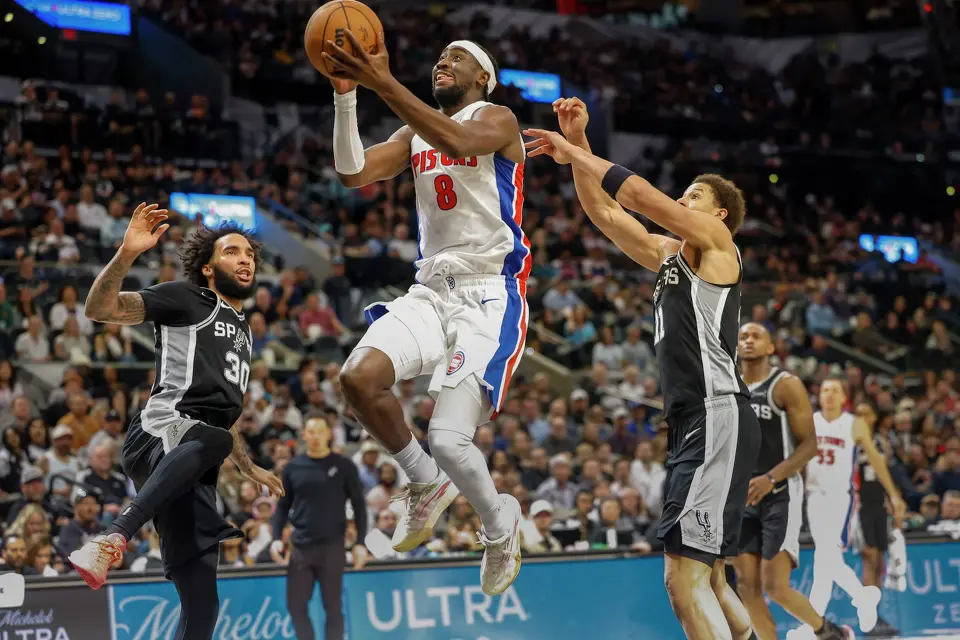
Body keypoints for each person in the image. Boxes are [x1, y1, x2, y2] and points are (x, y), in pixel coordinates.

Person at [526, 98, 759, 640]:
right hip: (693, 420)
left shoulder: (718, 244)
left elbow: (636, 196)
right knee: (712, 578)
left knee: (683, 583)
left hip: (715, 411)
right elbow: (607, 214)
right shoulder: (668, 255)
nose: (682, 200)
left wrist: (575, 153)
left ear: (718, 214)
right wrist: (578, 144)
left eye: (693, 196)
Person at [324, 35, 528, 595]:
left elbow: (458, 139)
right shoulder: (415, 132)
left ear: (483, 77)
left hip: (490, 293)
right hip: (431, 287)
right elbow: (354, 173)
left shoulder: (498, 119)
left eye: (457, 56)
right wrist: (347, 96)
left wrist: (380, 80)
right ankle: (424, 483)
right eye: (438, 55)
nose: (443, 60)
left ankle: (498, 524)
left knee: (449, 437)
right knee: (358, 378)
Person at [67, 204, 283, 640]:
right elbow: (99, 307)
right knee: (213, 439)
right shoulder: (187, 298)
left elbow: (224, 415)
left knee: (202, 603)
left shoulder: (243, 327)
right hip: (159, 431)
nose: (245, 259)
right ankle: (112, 538)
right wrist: (127, 255)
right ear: (207, 267)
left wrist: (246, 465)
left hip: (194, 460)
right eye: (232, 252)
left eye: (249, 254)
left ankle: (116, 538)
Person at [735, 323, 850, 640]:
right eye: (743, 336)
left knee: (775, 586)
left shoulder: (785, 384)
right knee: (747, 586)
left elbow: (810, 445)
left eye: (756, 336)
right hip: (742, 497)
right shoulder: (727, 386)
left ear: (771, 347)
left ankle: (827, 631)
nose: (748, 341)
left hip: (779, 492)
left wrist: (771, 478)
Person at [797, 376, 907, 637]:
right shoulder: (810, 422)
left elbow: (876, 461)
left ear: (844, 397)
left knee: (824, 556)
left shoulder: (854, 424)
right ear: (819, 396)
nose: (830, 394)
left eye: (835, 390)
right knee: (825, 560)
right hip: (812, 495)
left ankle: (811, 626)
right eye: (825, 390)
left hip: (840, 497)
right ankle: (847, 606)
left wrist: (893, 494)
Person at [272, 415, 368, 640]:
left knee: (332, 607)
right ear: (304, 435)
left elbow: (359, 507)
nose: (315, 436)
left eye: (320, 431)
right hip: (301, 547)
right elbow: (282, 507)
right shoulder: (293, 468)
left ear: (329, 434)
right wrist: (277, 537)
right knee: (295, 606)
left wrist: (360, 542)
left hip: (332, 547)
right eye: (311, 432)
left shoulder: (344, 466)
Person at [852, 399, 900, 636]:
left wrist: (893, 502)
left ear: (873, 417)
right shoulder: (851, 442)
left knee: (879, 562)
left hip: (879, 507)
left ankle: (876, 615)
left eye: (866, 413)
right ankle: (868, 618)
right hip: (860, 506)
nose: (861, 416)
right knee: (869, 560)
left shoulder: (881, 442)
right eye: (857, 412)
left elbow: (885, 475)